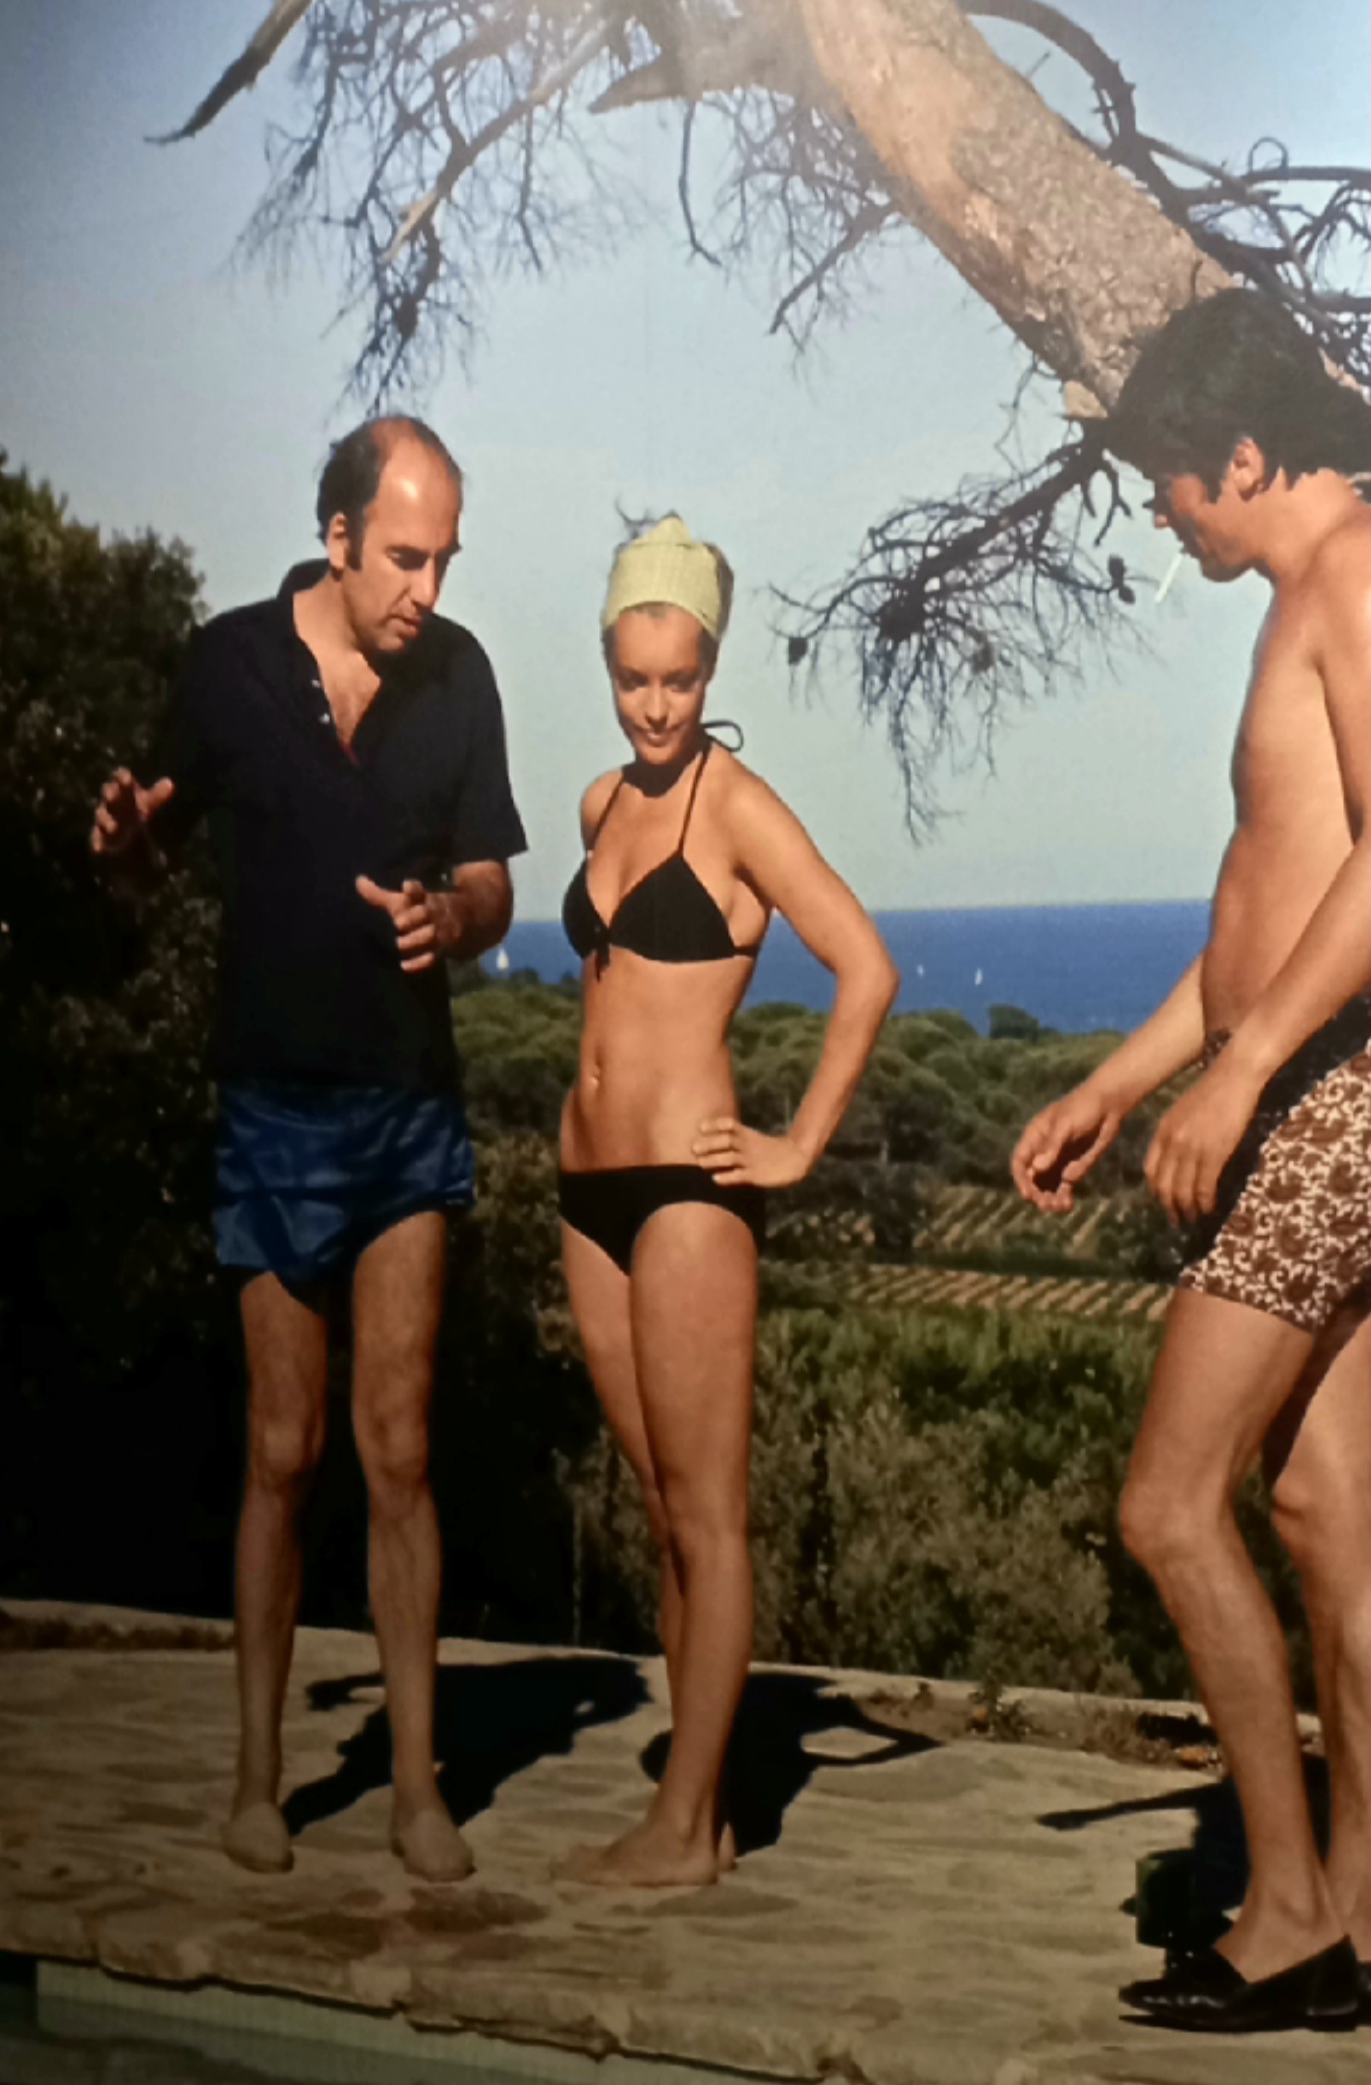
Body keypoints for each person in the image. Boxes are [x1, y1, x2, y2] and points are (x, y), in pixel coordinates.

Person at [1011, 293, 1371, 2034]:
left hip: (1331, 1097)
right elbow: (1264, 903)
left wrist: (1248, 1073)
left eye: (1173, 482)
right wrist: (1124, 1084)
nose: (1163, 514)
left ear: (1248, 456)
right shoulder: (1312, 591)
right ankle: (1366, 1912)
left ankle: (1281, 1910)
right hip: (1302, 1082)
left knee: (1166, 1503)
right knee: (1317, 1506)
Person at [90, 416, 523, 1883]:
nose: (426, 588)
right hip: (274, 1110)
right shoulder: (226, 666)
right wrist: (126, 848)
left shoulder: (460, 676)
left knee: (399, 1450)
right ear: (335, 537)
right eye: (404, 556)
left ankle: (415, 1792)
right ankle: (258, 1780)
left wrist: (452, 917)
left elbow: (491, 882)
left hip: (408, 1110)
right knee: (282, 1450)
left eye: (444, 559)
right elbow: (149, 859)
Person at [557, 515, 897, 1888]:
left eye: (680, 681)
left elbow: (865, 966)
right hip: (587, 1188)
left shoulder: (736, 806)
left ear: (712, 669)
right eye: (634, 679)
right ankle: (690, 1807)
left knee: (708, 1514)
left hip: (689, 1191)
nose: (656, 707)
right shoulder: (601, 804)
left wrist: (797, 1143)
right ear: (608, 664)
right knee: (658, 1509)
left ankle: (684, 1827)